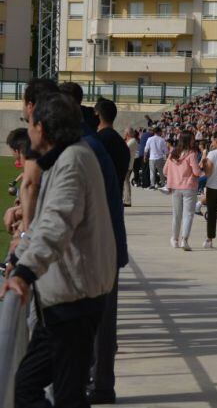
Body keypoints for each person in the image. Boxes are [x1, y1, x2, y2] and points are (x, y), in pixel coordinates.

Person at [4, 92, 116, 408]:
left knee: (41, 392)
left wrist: (25, 272)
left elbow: (56, 223)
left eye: (29, 124)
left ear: (42, 127)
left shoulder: (73, 162)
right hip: (63, 300)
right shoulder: (63, 159)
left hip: (74, 301)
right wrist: (17, 257)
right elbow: (41, 223)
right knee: (50, 390)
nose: (28, 132)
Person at [164, 131, 202, 251]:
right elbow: (196, 172)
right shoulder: (192, 154)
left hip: (175, 187)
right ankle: (184, 239)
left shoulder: (173, 153)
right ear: (188, 140)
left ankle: (174, 239)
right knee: (188, 215)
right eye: (192, 139)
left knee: (176, 215)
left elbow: (165, 171)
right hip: (189, 187)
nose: (194, 141)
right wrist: (201, 167)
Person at [124, 128, 138, 207]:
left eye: (125, 133)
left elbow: (124, 149)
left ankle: (127, 200)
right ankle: (126, 199)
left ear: (128, 134)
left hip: (128, 165)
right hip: (127, 164)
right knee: (125, 182)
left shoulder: (132, 141)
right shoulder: (130, 141)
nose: (124, 134)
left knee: (126, 182)